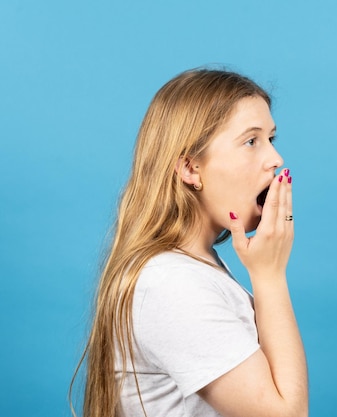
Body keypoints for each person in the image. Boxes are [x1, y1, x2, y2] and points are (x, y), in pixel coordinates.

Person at [72, 69, 308, 417]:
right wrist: (270, 276)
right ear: (191, 169)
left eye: (271, 139)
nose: (275, 159)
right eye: (251, 141)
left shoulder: (196, 266)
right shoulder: (172, 284)